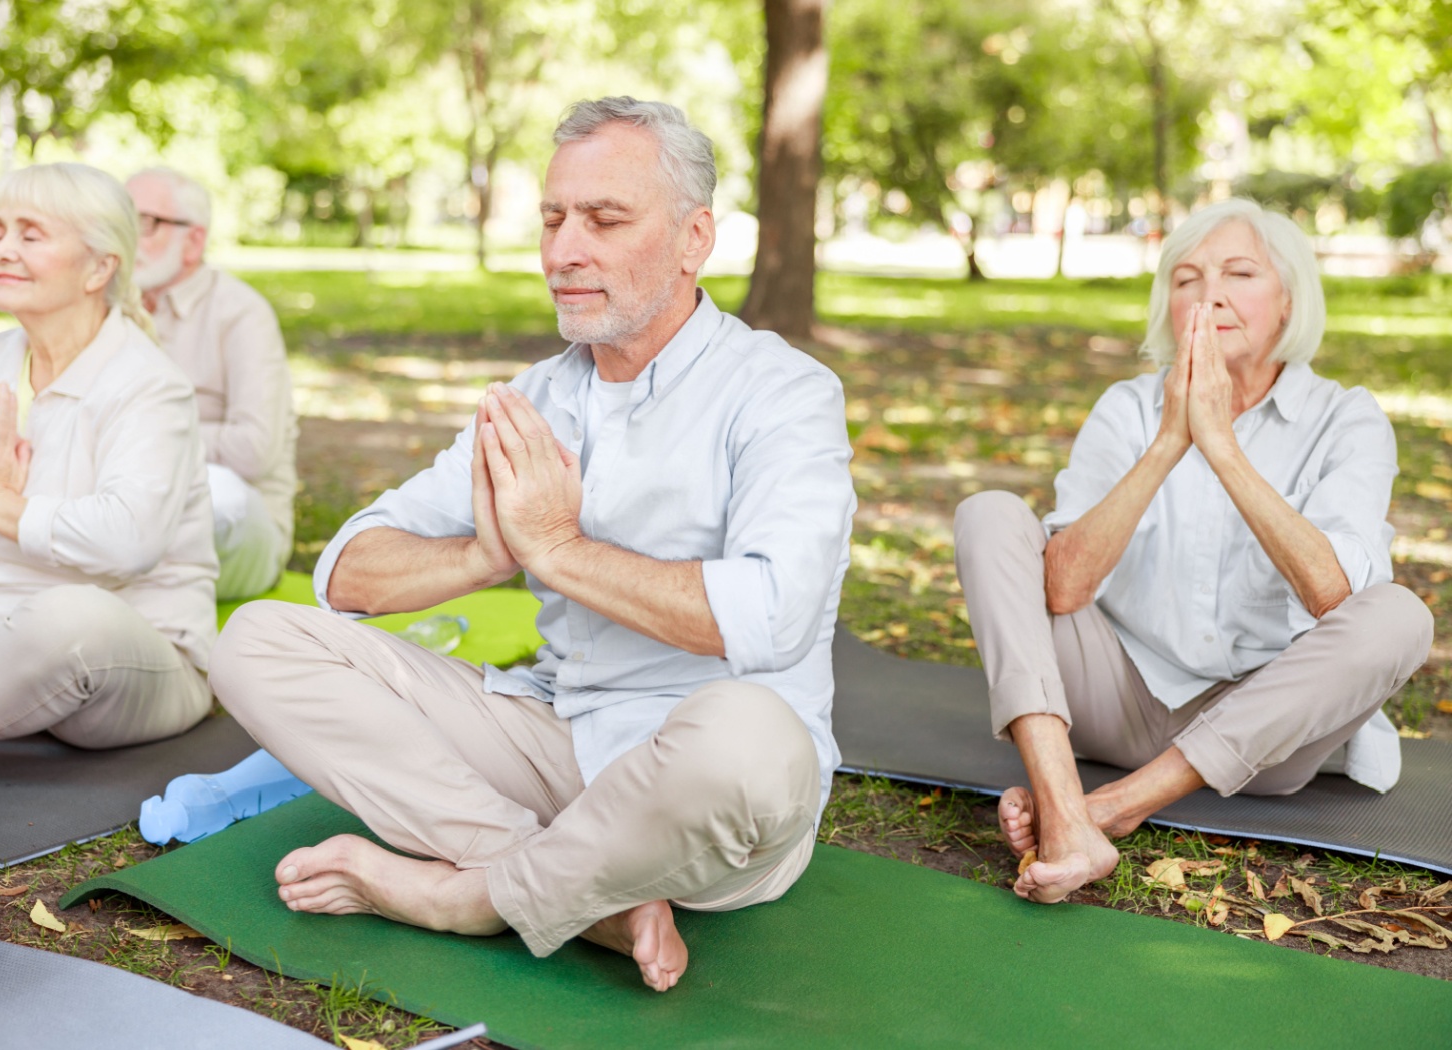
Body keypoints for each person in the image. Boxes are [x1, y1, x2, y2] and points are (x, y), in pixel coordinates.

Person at [209, 97, 855, 991]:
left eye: (604, 219)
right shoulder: (536, 399)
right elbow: (345, 571)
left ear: (693, 238)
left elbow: (772, 619)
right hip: (554, 744)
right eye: (553, 218)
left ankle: (459, 898)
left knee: (750, 734)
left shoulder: (783, 393)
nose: (562, 252)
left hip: (706, 793)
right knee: (256, 642)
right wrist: (481, 559)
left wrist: (557, 549)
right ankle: (572, 890)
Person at [953, 198, 1433, 904]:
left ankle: (1110, 809)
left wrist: (1221, 446)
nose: (1209, 295)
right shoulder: (1126, 409)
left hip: (1261, 737)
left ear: (1288, 301)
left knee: (1400, 617)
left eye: (1239, 273)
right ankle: (1061, 803)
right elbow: (1062, 589)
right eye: (1186, 280)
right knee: (990, 514)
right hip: (1112, 700)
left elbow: (1334, 595)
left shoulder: (1347, 419)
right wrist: (1170, 442)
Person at [0, 162, 217, 759]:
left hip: (124, 659)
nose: (2, 250)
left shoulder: (148, 385)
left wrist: (2, 506)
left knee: (70, 616)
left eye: (30, 235)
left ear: (99, 267)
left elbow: (128, 541)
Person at [126, 167, 297, 599]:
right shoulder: (109, 307)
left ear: (194, 241)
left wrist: (141, 438)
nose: (126, 237)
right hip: (127, 504)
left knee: (217, 499)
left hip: (236, 524)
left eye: (145, 223)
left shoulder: (241, 314)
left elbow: (254, 451)